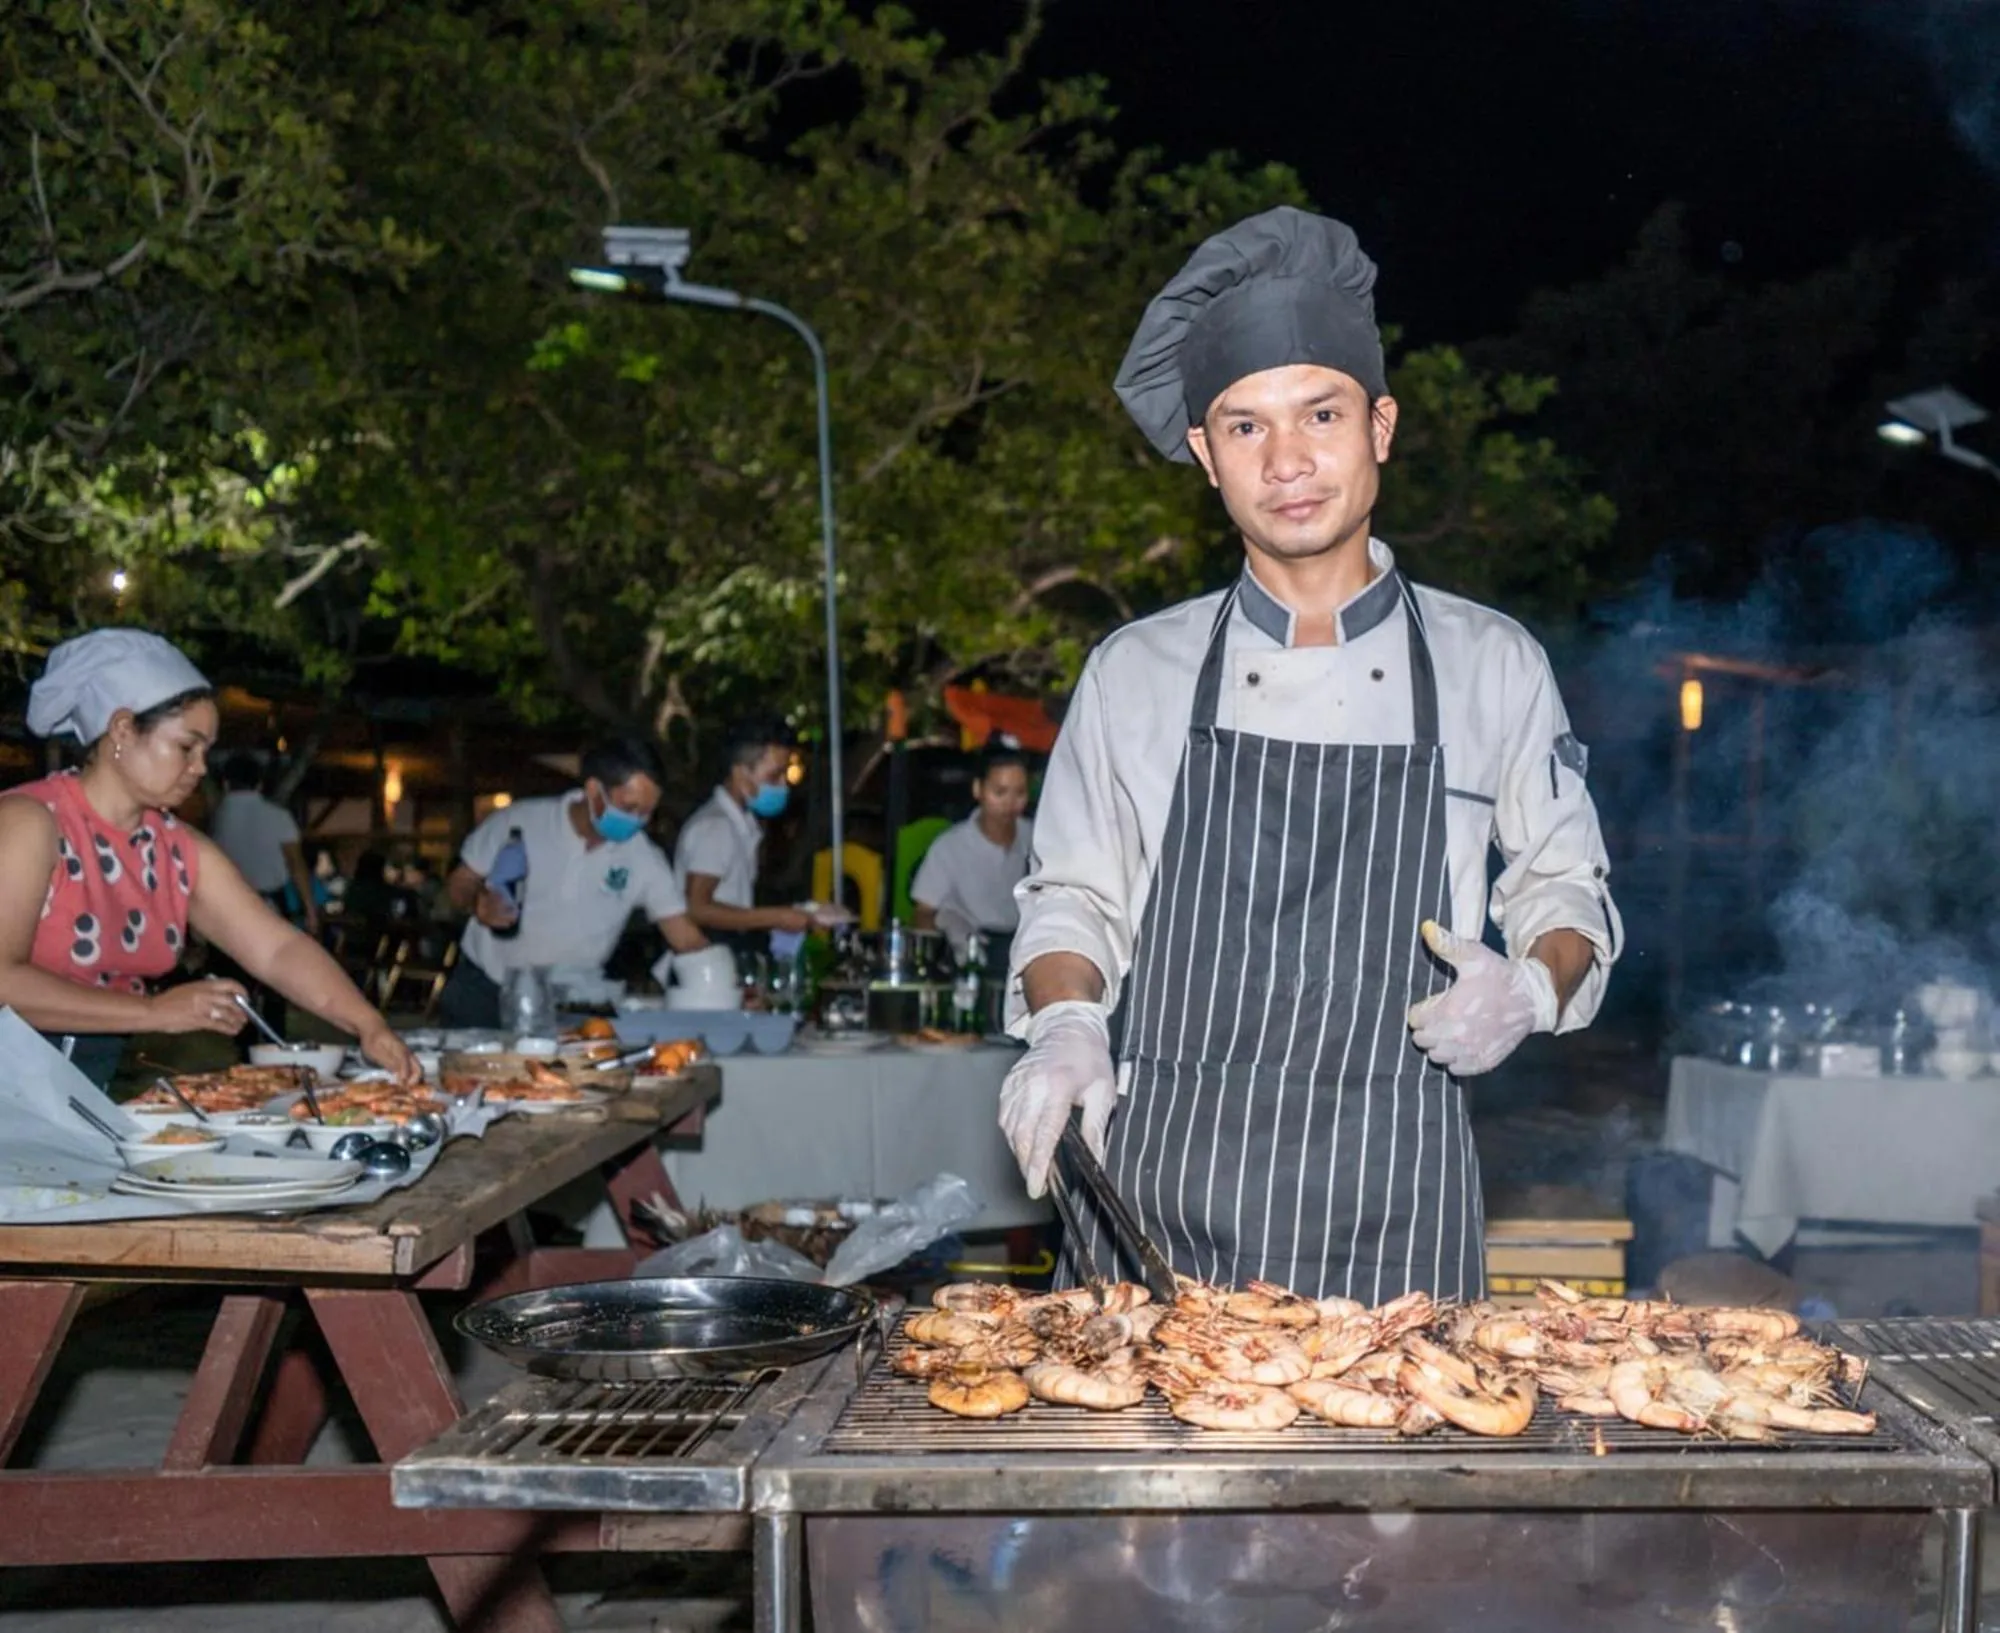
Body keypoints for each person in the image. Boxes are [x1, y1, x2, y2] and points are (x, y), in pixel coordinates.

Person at [999, 208, 1623, 1305]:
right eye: (1242, 427)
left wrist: (1528, 985)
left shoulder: (1492, 663)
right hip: (1153, 1200)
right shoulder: (1134, 671)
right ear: (1203, 455)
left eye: (1318, 414)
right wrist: (1062, 1024)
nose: (1286, 461)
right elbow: (1071, 901)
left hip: (1392, 1206)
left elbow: (1564, 887)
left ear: (1378, 425)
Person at [0, 630, 419, 1087]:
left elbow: (278, 949)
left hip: (81, 1085)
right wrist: (154, 1012)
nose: (200, 767)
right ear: (121, 730)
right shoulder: (31, 822)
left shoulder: (177, 849)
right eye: (187, 746)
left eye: (206, 751)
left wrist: (366, 1023)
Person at [439, 736, 708, 1029]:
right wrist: (478, 901)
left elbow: (684, 936)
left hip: (570, 1002)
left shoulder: (644, 857)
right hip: (485, 990)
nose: (640, 821)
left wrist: (725, 983)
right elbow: (459, 885)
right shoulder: (520, 823)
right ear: (594, 790)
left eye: (648, 812)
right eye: (629, 808)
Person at [675, 718, 817, 949]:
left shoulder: (741, 825)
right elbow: (697, 908)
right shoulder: (715, 828)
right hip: (703, 962)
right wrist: (777, 917)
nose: (783, 785)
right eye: (774, 776)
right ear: (741, 775)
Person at [910, 738, 1034, 951]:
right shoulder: (949, 848)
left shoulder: (1035, 837)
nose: (1010, 803)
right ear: (978, 789)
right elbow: (924, 912)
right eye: (1000, 792)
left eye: (1019, 793)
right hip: (970, 952)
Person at [208, 752, 319, 937]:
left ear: (225, 784)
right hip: (270, 907)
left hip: (226, 909)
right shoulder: (279, 817)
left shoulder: (215, 820)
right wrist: (311, 911)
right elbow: (295, 864)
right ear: (259, 784)